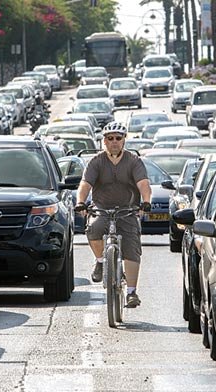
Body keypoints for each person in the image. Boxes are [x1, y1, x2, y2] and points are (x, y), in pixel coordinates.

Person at [74, 121, 152, 308]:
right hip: (101, 207)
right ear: (104, 141)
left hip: (127, 209)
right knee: (93, 228)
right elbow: (85, 185)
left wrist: (146, 201)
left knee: (132, 247)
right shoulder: (96, 161)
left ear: (124, 140)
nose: (114, 141)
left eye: (118, 138)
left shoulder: (134, 161)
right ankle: (101, 261)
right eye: (110, 138)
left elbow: (143, 184)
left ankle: (132, 292)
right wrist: (80, 202)